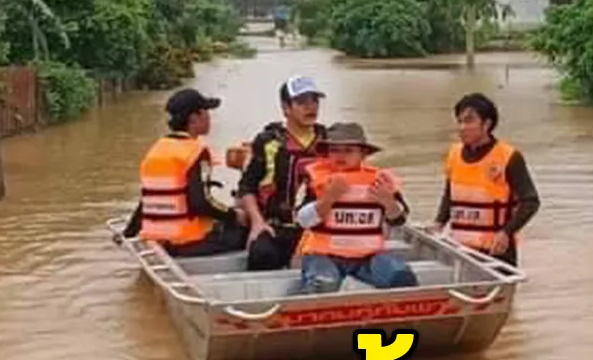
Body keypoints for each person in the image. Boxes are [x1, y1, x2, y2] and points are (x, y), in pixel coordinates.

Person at [293, 122, 418, 294]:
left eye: (349, 150)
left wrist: (387, 202)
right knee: (323, 283)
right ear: (328, 153)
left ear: (363, 154)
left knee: (401, 276)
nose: (341, 155)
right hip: (324, 255)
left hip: (368, 257)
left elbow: (399, 220)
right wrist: (328, 198)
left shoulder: (380, 180)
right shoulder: (319, 180)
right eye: (335, 150)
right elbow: (302, 220)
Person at [120, 88, 245, 256]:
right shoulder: (195, 152)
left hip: (157, 241)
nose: (209, 117)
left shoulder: (157, 149)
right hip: (185, 242)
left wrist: (129, 232)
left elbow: (148, 200)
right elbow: (200, 203)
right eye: (205, 112)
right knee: (245, 231)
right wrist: (234, 215)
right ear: (194, 118)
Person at [433, 92, 540, 266]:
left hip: (496, 252)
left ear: (487, 124)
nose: (462, 127)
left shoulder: (508, 157)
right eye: (459, 121)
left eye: (469, 121)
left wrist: (506, 232)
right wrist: (438, 223)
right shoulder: (453, 154)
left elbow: (531, 201)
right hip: (460, 249)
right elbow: (449, 196)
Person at [236, 75, 328, 271]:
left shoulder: (330, 141)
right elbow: (246, 187)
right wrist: (257, 223)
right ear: (286, 108)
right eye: (302, 102)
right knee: (262, 254)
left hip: (318, 229)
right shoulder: (268, 141)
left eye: (314, 101)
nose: (310, 107)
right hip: (275, 227)